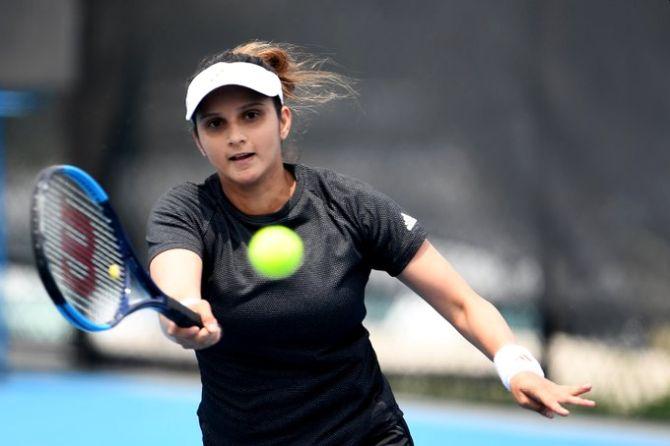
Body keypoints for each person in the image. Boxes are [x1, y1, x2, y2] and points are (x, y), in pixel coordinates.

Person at [146, 41, 595, 446]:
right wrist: (185, 313)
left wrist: (516, 366)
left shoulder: (347, 205)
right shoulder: (188, 210)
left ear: (283, 120)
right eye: (215, 124)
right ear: (200, 142)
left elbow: (461, 302)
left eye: (251, 115)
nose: (236, 136)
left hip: (363, 435)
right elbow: (177, 286)